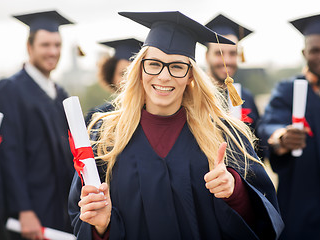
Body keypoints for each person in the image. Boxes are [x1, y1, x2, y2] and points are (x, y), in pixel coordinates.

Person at [69, 11, 284, 240]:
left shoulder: (225, 135)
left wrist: (236, 192)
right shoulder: (105, 137)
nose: (164, 76)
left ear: (190, 75)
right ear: (140, 69)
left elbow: (265, 220)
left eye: (177, 67)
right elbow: (80, 215)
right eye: (154, 64)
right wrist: (101, 227)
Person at [258, 10, 320, 240]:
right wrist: (281, 137)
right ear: (304, 53)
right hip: (301, 210)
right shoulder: (288, 90)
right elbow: (269, 125)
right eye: (315, 50)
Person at [0, 10, 75, 240]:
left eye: (57, 45)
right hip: (30, 213)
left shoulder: (60, 95)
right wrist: (24, 210)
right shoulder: (10, 90)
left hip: (60, 208)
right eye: (45, 45)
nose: (53, 51)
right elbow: (8, 154)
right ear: (30, 48)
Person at [205, 14, 264, 157]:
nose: (227, 61)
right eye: (219, 53)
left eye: (233, 53)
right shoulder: (193, 95)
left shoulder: (245, 97)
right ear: (207, 56)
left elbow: (261, 148)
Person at [85, 38, 143, 125]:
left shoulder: (153, 115)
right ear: (112, 76)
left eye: (134, 73)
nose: (128, 79)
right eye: (122, 73)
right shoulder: (98, 116)